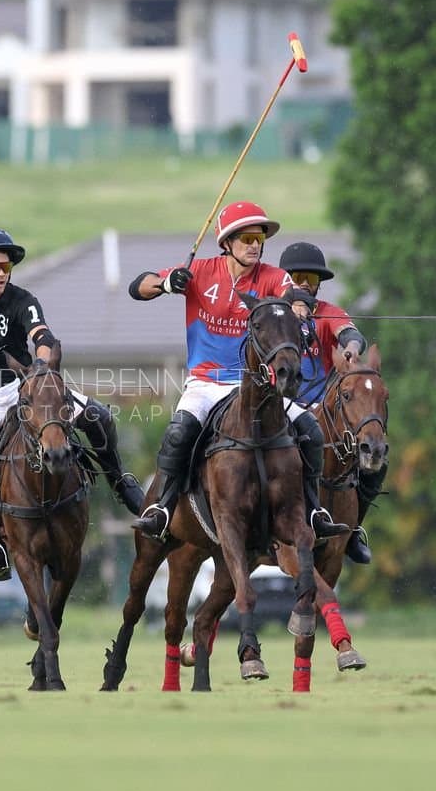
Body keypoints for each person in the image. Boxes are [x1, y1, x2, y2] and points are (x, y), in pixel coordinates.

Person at [126, 201, 349, 542]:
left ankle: (315, 509)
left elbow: (294, 293)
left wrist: (299, 306)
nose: (255, 245)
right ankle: (163, 508)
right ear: (226, 242)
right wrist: (168, 282)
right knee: (179, 432)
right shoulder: (201, 272)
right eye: (246, 238)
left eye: (259, 238)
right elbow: (138, 287)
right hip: (206, 381)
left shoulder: (272, 277)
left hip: (256, 386)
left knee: (311, 430)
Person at [0, 227, 144, 580]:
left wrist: (44, 367)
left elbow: (42, 336)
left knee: (98, 416)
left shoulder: (22, 299)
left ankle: (121, 482)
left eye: (6, 266)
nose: (2, 273)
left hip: (24, 390)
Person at [279, 242, 381, 564]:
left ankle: (351, 531)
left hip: (321, 409)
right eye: (299, 277)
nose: (306, 284)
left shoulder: (327, 311)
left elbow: (351, 333)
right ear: (285, 279)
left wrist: (350, 348)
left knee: (374, 459)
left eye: (312, 277)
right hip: (277, 406)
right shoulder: (273, 313)